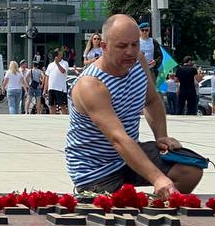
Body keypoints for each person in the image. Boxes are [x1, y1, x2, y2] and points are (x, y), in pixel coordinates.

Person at [67, 14, 203, 195]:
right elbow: (118, 138)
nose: (130, 52)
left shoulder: (138, 62)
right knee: (119, 213)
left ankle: (158, 209)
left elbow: (152, 100)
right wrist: (157, 177)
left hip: (129, 154)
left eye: (135, 44)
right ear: (104, 46)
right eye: (122, 46)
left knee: (190, 172)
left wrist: (161, 136)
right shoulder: (90, 85)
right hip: (96, 170)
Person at [44, 50, 69, 115]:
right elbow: (47, 77)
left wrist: (57, 63)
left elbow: (63, 71)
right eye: (60, 54)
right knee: (51, 105)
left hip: (60, 88)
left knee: (62, 105)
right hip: (51, 88)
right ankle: (53, 120)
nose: (61, 55)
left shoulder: (65, 63)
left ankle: (64, 119)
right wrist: (45, 89)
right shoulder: (50, 65)